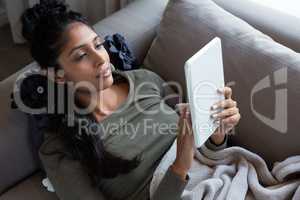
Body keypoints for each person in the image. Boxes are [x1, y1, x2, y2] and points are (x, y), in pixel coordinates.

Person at [20, 1, 241, 199]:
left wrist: (218, 130)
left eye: (97, 45)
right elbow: (185, 156)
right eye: (81, 56)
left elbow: (207, 151)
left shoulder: (146, 79)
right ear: (57, 74)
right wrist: (180, 166)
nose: (101, 59)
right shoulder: (60, 147)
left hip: (225, 181)